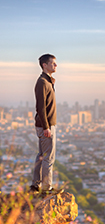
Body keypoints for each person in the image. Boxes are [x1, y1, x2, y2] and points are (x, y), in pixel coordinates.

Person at [30, 54, 62, 196]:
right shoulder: (42, 82)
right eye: (53, 63)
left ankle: (36, 185)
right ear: (45, 65)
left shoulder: (47, 81)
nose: (56, 66)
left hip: (46, 124)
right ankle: (46, 189)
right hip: (46, 126)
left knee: (42, 156)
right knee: (48, 157)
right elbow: (41, 107)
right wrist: (46, 127)